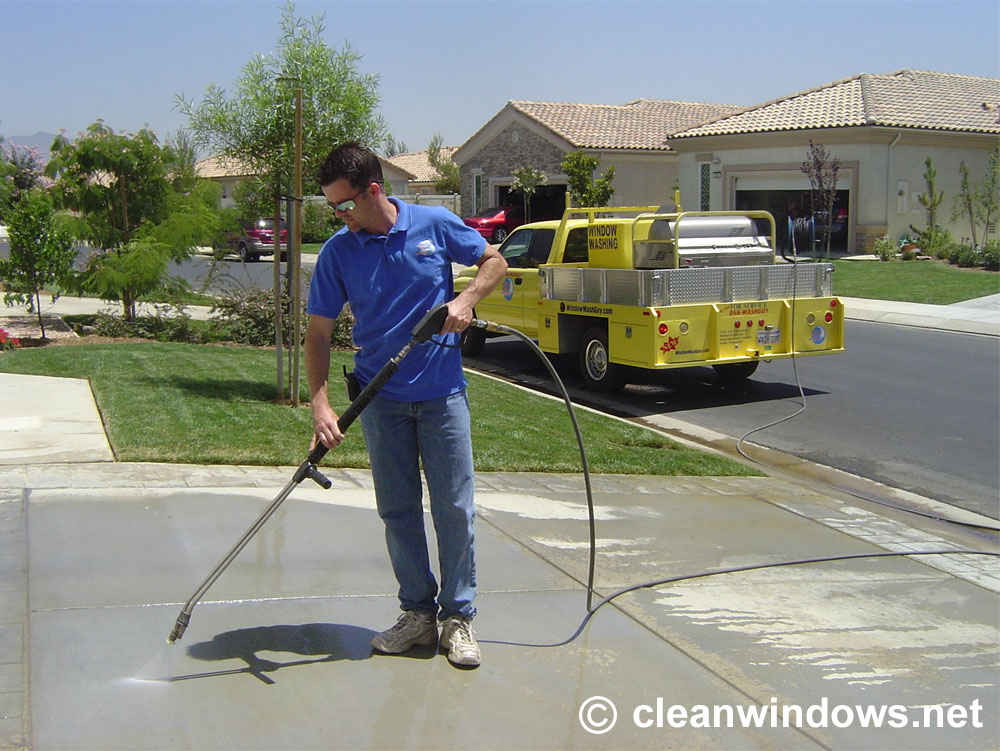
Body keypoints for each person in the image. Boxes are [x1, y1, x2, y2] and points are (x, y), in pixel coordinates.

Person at [304, 142, 507, 667]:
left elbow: (494, 260)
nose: (339, 216)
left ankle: (457, 619)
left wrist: (464, 300)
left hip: (441, 396)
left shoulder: (433, 225)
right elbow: (318, 334)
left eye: (345, 204)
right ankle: (417, 614)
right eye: (331, 208)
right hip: (380, 400)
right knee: (397, 512)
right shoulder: (338, 252)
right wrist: (321, 406)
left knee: (455, 510)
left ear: (374, 190)